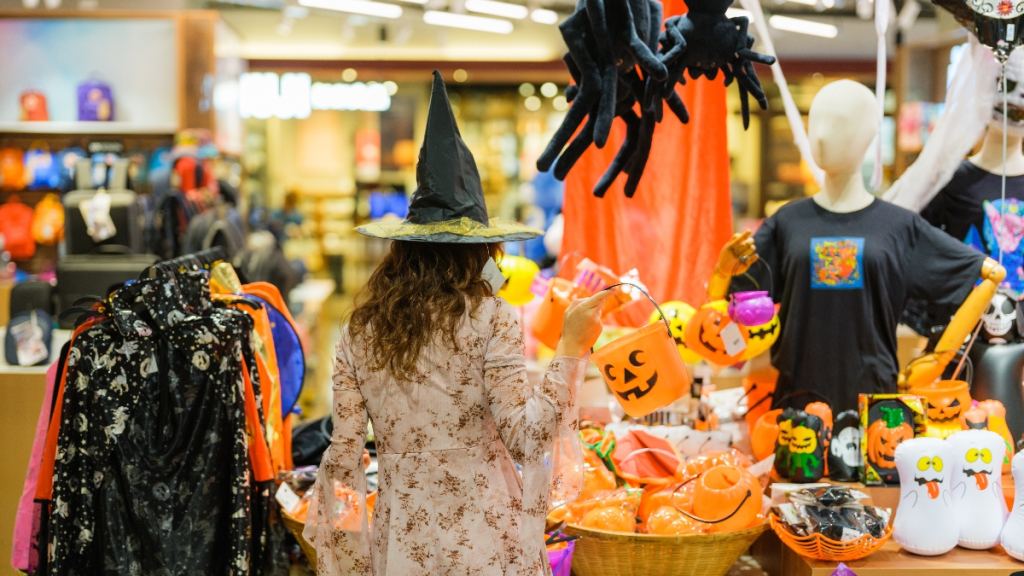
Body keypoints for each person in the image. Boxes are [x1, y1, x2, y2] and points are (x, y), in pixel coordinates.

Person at [304, 71, 607, 575]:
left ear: (406, 245)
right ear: (480, 248)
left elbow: (344, 454)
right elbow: (529, 440)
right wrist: (571, 347)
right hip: (487, 542)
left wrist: (348, 551)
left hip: (403, 542)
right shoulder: (491, 317)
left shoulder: (360, 329)